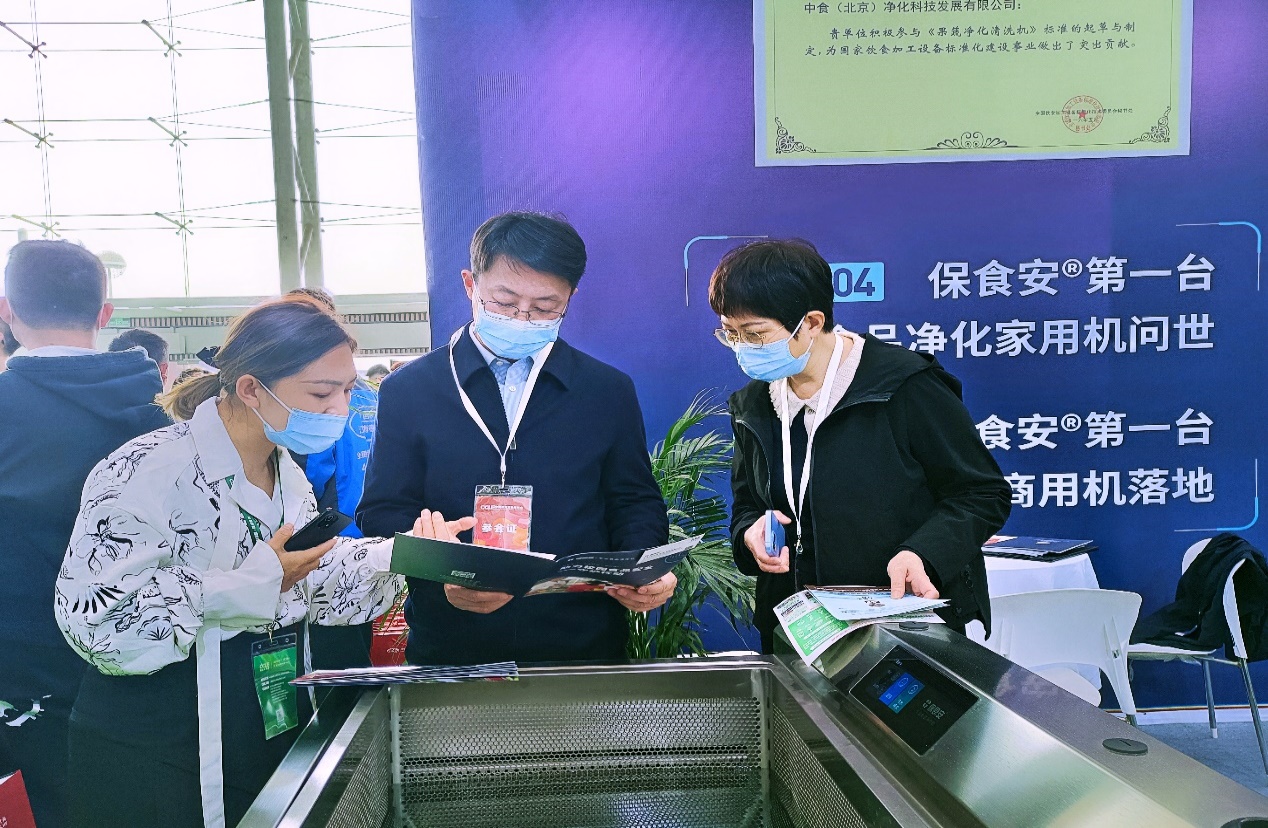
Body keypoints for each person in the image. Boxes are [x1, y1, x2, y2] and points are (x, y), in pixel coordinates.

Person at [54, 297, 453, 828]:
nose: (339, 409)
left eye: (347, 390)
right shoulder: (147, 469)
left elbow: (314, 575)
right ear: (250, 389)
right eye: (321, 393)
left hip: (259, 716)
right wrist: (253, 582)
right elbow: (96, 620)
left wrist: (403, 554)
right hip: (159, 740)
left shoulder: (285, 472)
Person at [359, 211, 675, 665]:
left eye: (545, 308)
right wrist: (444, 568)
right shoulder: (410, 390)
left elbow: (634, 500)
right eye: (504, 302)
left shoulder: (605, 391)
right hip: (452, 644)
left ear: (570, 298)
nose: (523, 318)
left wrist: (644, 568)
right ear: (470, 284)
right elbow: (381, 511)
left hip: (581, 647)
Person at [709, 239, 1012, 653]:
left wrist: (923, 553)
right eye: (730, 334)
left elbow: (982, 493)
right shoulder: (754, 405)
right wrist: (750, 533)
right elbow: (747, 504)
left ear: (812, 322)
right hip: (795, 631)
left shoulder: (904, 385)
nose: (742, 348)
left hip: (901, 624)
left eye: (755, 334)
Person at [0, 240, 170, 828]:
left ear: (6, 311)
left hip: (22, 685)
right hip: (155, 676)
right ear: (104, 313)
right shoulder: (168, 414)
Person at [285, 287, 382, 669]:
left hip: (317, 552)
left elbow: (305, 479)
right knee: (352, 660)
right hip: (365, 544)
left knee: (317, 662)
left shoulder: (313, 400)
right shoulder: (369, 395)